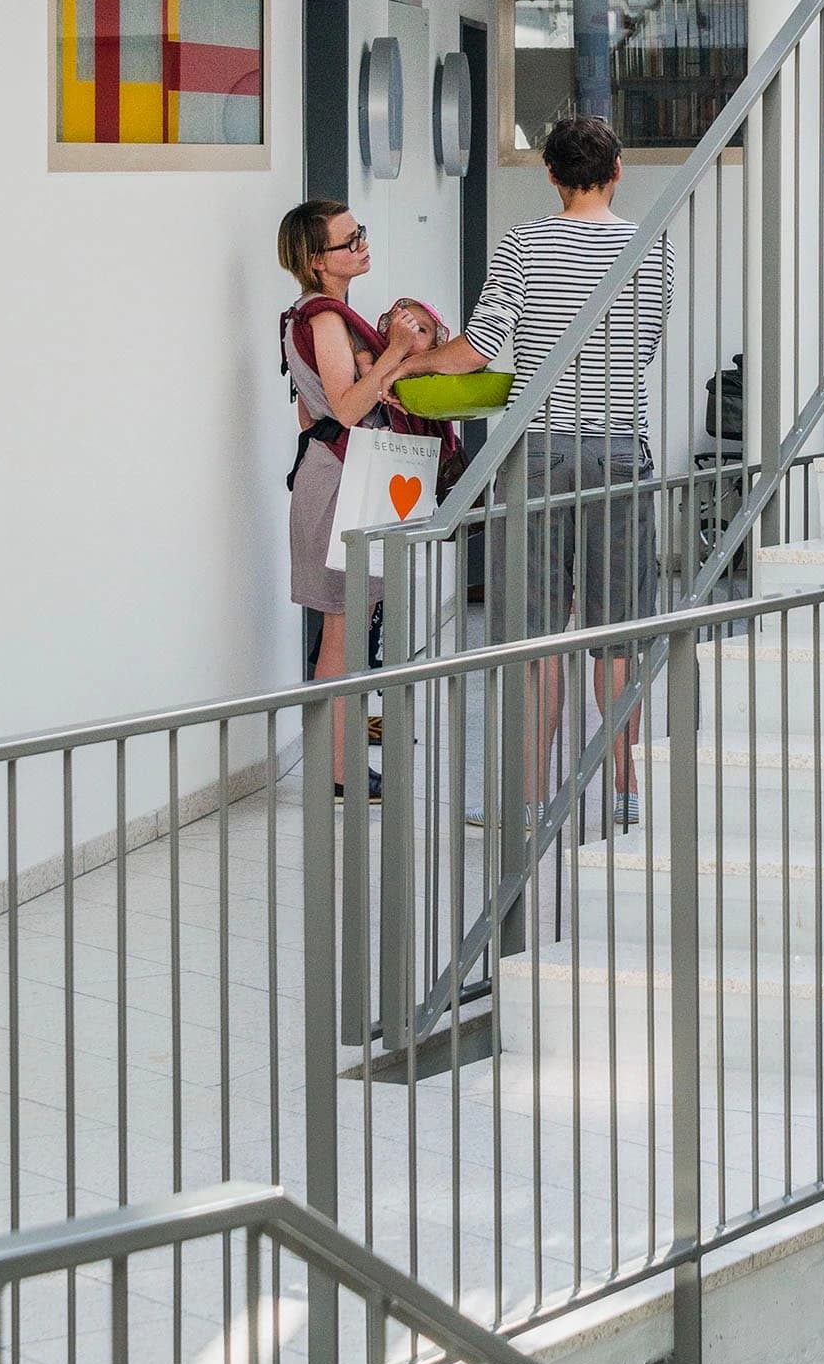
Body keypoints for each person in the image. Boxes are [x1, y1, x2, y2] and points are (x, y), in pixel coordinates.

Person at [404, 113, 674, 828]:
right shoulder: (653, 248)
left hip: (540, 449)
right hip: (619, 446)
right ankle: (625, 793)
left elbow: (477, 351)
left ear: (550, 176)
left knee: (536, 633)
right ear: (617, 172)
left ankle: (524, 801)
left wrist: (408, 363)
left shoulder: (524, 244)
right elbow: (642, 346)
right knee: (616, 630)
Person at [276, 205, 428, 794]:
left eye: (360, 232)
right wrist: (394, 353)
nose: (363, 244)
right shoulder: (323, 320)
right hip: (340, 481)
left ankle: (337, 764)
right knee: (343, 628)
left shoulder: (310, 318)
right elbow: (343, 407)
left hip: (332, 474)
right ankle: (337, 771)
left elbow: (309, 410)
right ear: (318, 260)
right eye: (350, 241)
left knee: (347, 624)